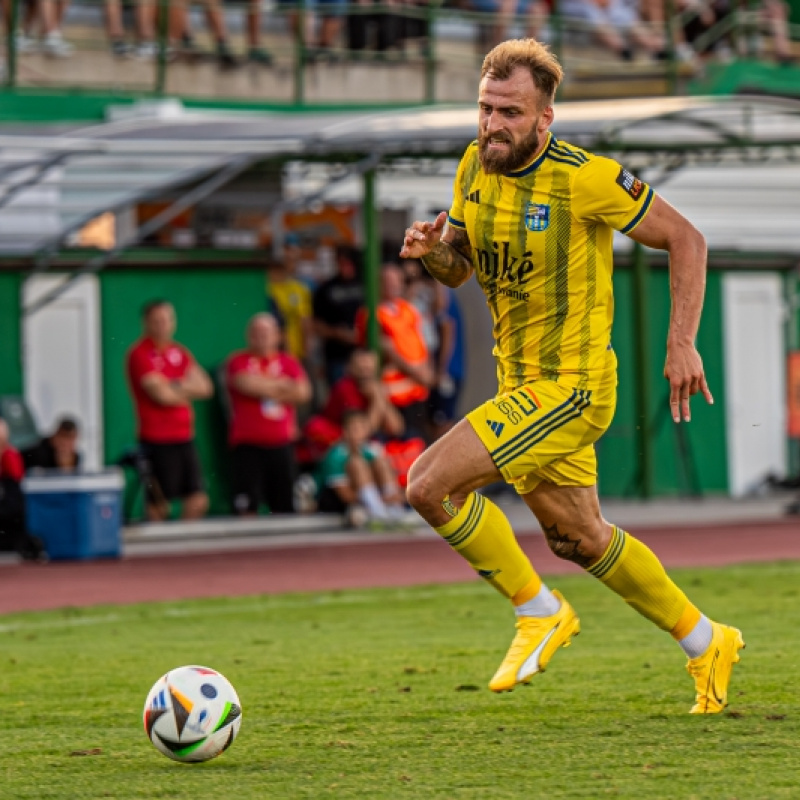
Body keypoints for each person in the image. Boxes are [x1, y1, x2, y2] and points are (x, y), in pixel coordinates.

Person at [400, 38, 742, 714]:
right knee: (578, 537)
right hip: (519, 388)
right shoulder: (473, 166)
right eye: (486, 108)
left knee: (426, 485)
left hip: (572, 388)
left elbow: (687, 239)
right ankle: (708, 642)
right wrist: (433, 252)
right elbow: (461, 266)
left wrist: (682, 344)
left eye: (510, 113)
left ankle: (538, 611)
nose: (493, 124)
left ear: (545, 118)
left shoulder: (587, 178)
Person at [126, 300, 213, 521]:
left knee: (198, 500)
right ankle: (155, 554)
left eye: (166, 320)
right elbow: (161, 396)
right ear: (145, 323)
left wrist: (173, 385)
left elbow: (205, 388)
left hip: (184, 437)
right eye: (156, 320)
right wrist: (184, 387)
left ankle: (185, 551)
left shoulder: (180, 352)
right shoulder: (139, 354)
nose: (162, 325)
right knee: (159, 506)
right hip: (157, 439)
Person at [226, 313, 312, 515]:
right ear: (248, 336)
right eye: (256, 332)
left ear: (277, 336)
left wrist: (265, 386)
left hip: (281, 443)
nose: (261, 337)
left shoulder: (288, 362)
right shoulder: (238, 361)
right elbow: (245, 384)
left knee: (284, 504)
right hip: (247, 443)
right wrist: (284, 385)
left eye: (266, 332)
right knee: (247, 504)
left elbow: (303, 392)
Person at [355, 263, 434, 439]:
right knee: (400, 440)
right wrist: (415, 372)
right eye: (387, 281)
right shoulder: (372, 313)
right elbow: (385, 347)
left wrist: (427, 370)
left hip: (417, 389)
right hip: (395, 392)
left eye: (395, 280)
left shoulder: (408, 309)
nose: (392, 285)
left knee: (420, 439)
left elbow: (422, 341)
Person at [315, 409, 413, 527]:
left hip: (374, 500)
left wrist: (394, 498)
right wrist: (380, 501)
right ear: (345, 431)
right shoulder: (335, 455)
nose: (358, 432)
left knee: (380, 463)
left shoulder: (372, 450)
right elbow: (345, 495)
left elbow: (396, 487)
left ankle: (395, 512)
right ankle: (377, 513)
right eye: (354, 428)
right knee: (357, 463)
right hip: (338, 502)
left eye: (362, 428)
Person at [312, 245, 365, 387]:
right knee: (340, 392)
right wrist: (337, 333)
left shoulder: (366, 284)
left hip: (363, 352)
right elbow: (316, 324)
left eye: (348, 263)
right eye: (341, 263)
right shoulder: (326, 289)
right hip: (337, 355)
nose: (345, 267)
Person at [266, 241, 315, 364]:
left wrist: (306, 347)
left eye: (295, 259)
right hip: (272, 352)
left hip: (296, 353)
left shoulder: (300, 289)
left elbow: (305, 320)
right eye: (289, 258)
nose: (294, 263)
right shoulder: (265, 289)